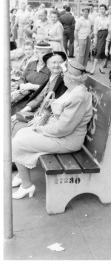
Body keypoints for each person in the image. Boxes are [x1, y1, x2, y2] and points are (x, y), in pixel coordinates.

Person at [12, 60, 93, 199]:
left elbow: (63, 128)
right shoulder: (74, 90)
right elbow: (64, 114)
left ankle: (27, 186)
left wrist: (42, 129)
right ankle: (22, 174)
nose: (62, 77)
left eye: (64, 75)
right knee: (21, 133)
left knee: (19, 142)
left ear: (70, 78)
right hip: (61, 135)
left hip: (68, 140)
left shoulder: (78, 96)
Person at [11, 51, 67, 138]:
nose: (57, 65)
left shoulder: (64, 80)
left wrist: (39, 119)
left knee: (19, 128)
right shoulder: (51, 78)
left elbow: (57, 107)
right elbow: (39, 98)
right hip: (39, 112)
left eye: (60, 62)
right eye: (53, 62)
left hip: (49, 119)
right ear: (47, 65)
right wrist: (22, 112)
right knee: (13, 120)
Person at [11, 41, 52, 115]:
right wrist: (22, 85)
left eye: (47, 53)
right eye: (42, 53)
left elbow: (49, 87)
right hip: (23, 94)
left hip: (37, 98)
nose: (45, 55)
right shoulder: (31, 64)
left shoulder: (50, 68)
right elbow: (22, 78)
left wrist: (33, 87)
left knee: (17, 111)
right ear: (37, 53)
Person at [90, 4, 109, 75]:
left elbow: (109, 27)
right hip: (100, 35)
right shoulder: (97, 18)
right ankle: (93, 68)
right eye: (100, 9)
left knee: (103, 53)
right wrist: (95, 38)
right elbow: (95, 29)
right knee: (99, 52)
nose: (102, 10)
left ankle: (101, 67)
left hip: (107, 35)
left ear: (105, 10)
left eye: (103, 9)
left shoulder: (107, 18)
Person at [75, 7, 92, 72]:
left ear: (88, 13)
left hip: (88, 37)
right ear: (82, 12)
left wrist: (91, 34)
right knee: (81, 54)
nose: (85, 13)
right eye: (83, 12)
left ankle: (84, 68)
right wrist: (76, 40)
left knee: (86, 54)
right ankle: (79, 68)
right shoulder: (80, 20)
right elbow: (76, 30)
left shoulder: (90, 20)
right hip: (81, 38)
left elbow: (91, 28)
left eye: (86, 12)